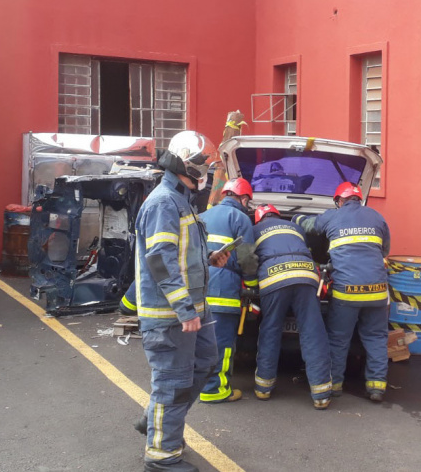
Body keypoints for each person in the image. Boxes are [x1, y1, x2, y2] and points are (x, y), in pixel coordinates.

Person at [135, 130, 229, 472]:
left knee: (204, 364)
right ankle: (161, 456)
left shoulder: (181, 201)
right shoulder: (164, 202)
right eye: (203, 163)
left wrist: (210, 258)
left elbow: (180, 256)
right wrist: (184, 310)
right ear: (186, 164)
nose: (207, 170)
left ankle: (155, 419)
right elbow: (160, 260)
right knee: (173, 384)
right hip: (171, 316)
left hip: (193, 312)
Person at [293, 182, 391, 402]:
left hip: (347, 292)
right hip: (377, 291)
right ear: (359, 199)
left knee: (338, 339)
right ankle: (377, 387)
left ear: (338, 201)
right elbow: (385, 250)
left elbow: (309, 225)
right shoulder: (377, 217)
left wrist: (295, 219)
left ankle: (335, 385)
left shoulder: (332, 216)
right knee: (376, 338)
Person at [251, 204, 332, 409]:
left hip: (274, 278)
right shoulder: (295, 227)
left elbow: (250, 260)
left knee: (271, 329)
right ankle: (321, 394)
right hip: (305, 275)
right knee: (313, 331)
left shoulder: (254, 230)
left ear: (259, 219)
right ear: (278, 215)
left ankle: (263, 388)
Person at [198, 178, 259, 403]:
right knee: (221, 343)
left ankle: (198, 386)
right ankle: (215, 390)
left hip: (198, 287)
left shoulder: (202, 216)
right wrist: (252, 285)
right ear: (243, 198)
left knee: (201, 341)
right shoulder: (240, 218)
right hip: (223, 290)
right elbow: (247, 258)